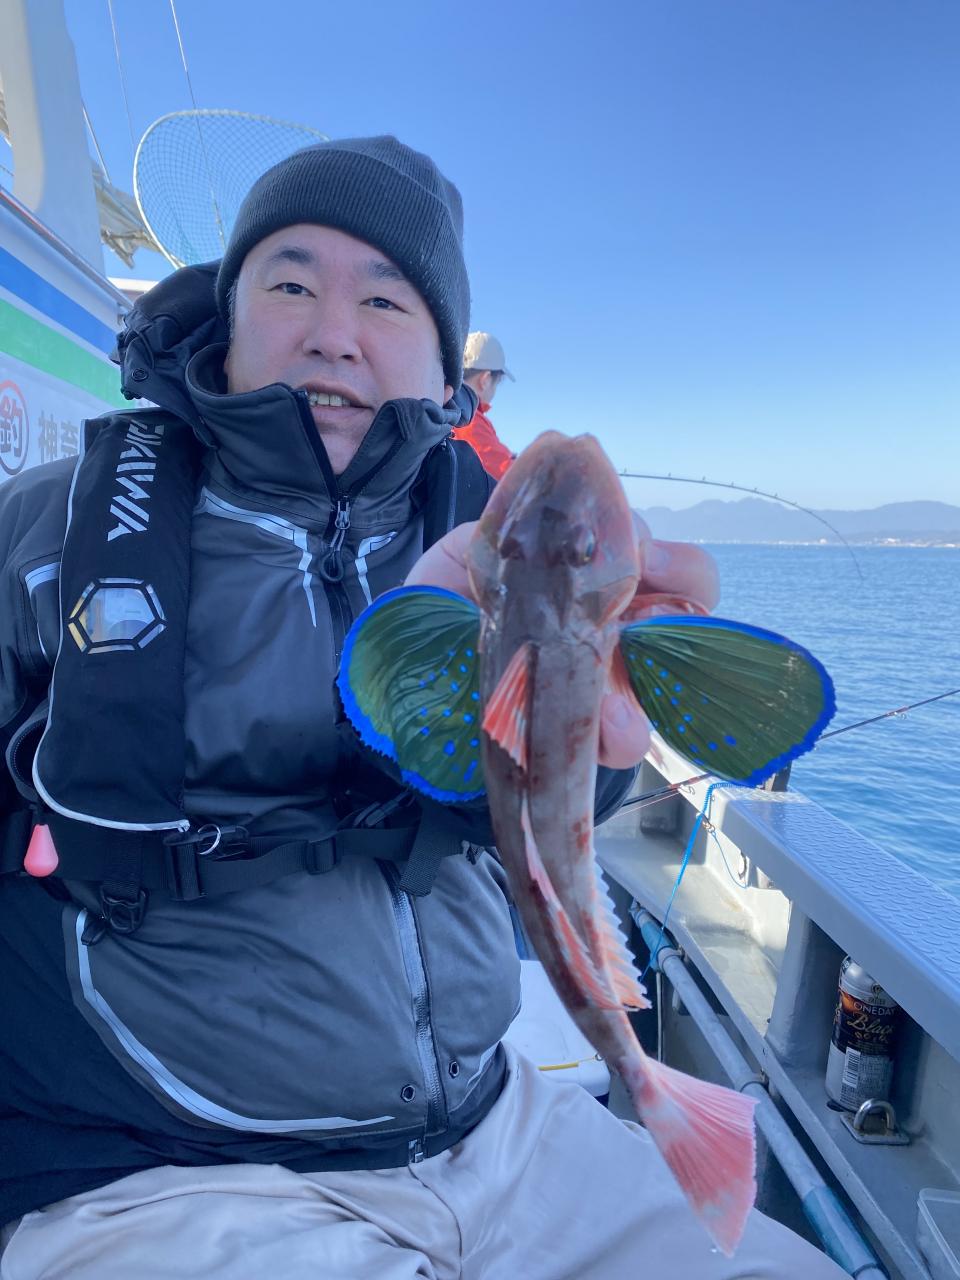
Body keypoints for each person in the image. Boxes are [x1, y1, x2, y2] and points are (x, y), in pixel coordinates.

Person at [0, 136, 846, 1279]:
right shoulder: (53, 528)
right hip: (164, 1167)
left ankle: (657, 1098)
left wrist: (604, 728)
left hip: (500, 1125)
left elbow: (538, 802)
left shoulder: (482, 531)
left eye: (386, 299)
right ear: (225, 318)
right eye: (289, 284)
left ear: (446, 369)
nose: (333, 332)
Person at [451, 330, 516, 479]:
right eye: (497, 383)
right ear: (485, 380)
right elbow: (509, 475)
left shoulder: (446, 409)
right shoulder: (468, 421)